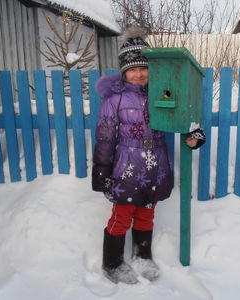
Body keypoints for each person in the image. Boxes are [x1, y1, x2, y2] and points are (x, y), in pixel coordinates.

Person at [92, 27, 205, 284]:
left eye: (144, 67)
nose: (139, 73)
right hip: (126, 168)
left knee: (146, 213)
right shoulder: (114, 99)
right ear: (123, 71)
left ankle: (142, 256)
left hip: (156, 166)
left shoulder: (163, 91)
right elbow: (106, 135)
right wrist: (102, 170)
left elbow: (186, 115)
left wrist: (196, 135)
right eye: (133, 68)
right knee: (121, 216)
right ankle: (112, 263)